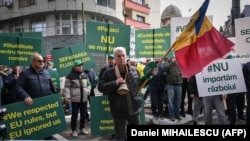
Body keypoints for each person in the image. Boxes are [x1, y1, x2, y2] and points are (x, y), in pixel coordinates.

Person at [98, 46, 142, 141]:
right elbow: (100, 87)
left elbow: (141, 84)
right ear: (115, 58)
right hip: (118, 111)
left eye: (123, 55)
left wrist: (150, 76)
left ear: (126, 57)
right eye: (118, 56)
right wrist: (115, 82)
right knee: (119, 136)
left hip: (134, 109)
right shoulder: (108, 72)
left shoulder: (135, 70)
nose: (121, 58)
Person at [15, 53, 57, 140]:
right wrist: (25, 96)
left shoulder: (46, 72)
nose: (42, 63)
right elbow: (18, 87)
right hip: (33, 107)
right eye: (40, 61)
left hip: (46, 106)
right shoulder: (25, 73)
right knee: (34, 130)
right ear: (33, 61)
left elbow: (51, 85)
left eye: (43, 61)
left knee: (48, 129)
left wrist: (56, 91)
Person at [64, 60, 91, 138]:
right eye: (79, 66)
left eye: (81, 66)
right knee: (74, 115)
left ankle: (82, 128)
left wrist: (88, 89)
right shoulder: (70, 76)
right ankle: (74, 130)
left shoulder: (85, 75)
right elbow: (67, 87)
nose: (80, 67)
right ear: (75, 67)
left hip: (84, 99)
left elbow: (89, 84)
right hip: (74, 100)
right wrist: (68, 97)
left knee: (83, 115)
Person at [163, 57, 183, 121]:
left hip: (179, 84)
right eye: (173, 57)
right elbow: (165, 69)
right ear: (171, 58)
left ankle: (177, 114)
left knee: (178, 101)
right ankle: (172, 115)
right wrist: (172, 62)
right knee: (171, 101)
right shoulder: (167, 63)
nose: (175, 58)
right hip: (171, 85)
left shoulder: (177, 64)